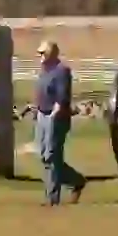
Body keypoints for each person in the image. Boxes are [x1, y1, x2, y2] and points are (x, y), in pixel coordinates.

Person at [35, 40, 86, 206]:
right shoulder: (44, 70)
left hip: (56, 117)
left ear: (51, 53)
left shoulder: (61, 71)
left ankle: (52, 199)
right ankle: (76, 181)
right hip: (42, 115)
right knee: (44, 156)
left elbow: (62, 96)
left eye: (43, 53)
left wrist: (54, 116)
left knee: (52, 156)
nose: (40, 56)